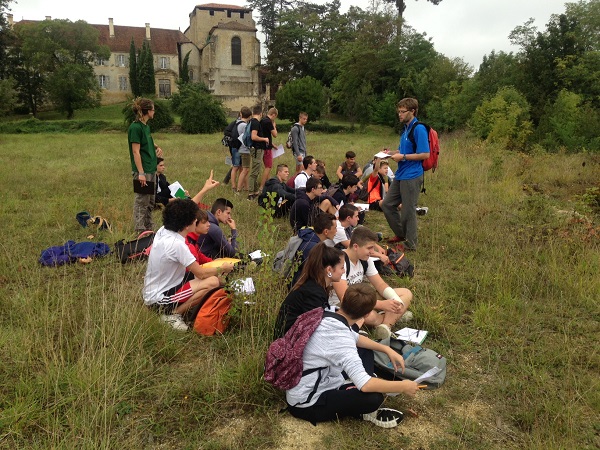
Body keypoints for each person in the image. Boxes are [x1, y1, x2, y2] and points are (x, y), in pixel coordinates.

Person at [285, 283, 419, 427]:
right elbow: (366, 385)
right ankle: (363, 406)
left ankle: (356, 382)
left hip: (310, 379)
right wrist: (402, 386)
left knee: (366, 349)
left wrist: (386, 349)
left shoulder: (327, 313)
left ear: (343, 301)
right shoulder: (343, 342)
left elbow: (355, 338)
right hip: (307, 403)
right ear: (366, 315)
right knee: (373, 398)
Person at [142, 199, 227, 331]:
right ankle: (172, 314)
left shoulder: (164, 230)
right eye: (195, 219)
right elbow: (201, 273)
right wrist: (223, 267)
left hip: (158, 289)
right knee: (212, 282)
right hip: (159, 299)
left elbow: (181, 208)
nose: (196, 220)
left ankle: (175, 309)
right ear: (187, 225)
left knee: (212, 279)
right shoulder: (178, 245)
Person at [330, 227, 413, 340]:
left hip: (363, 297)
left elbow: (380, 285)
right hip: (344, 305)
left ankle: (385, 326)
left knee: (406, 293)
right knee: (369, 317)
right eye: (369, 248)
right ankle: (394, 317)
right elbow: (345, 298)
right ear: (355, 246)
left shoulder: (365, 259)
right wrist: (382, 305)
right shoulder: (340, 261)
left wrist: (395, 300)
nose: (372, 252)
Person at [381, 98, 430, 250]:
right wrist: (389, 153)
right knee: (388, 204)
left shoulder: (419, 129)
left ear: (412, 111)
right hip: (401, 174)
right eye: (399, 112)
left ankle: (411, 244)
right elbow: (402, 151)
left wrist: (402, 157)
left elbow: (425, 154)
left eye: (403, 112)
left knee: (408, 210)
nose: (400, 115)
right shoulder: (406, 129)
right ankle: (402, 234)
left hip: (412, 175)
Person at [273, 243, 344, 339]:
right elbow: (316, 328)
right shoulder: (313, 292)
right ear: (329, 270)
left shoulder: (315, 286)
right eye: (342, 268)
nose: (343, 272)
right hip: (290, 342)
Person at [128, 97, 163, 233]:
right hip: (143, 171)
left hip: (151, 168)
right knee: (141, 201)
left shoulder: (145, 127)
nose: (154, 112)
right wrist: (141, 173)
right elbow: (136, 152)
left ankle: (149, 228)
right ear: (147, 111)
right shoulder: (135, 128)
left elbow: (147, 142)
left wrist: (156, 147)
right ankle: (140, 230)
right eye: (153, 109)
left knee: (150, 201)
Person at [289, 213, 338, 287]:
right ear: (326, 232)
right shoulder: (313, 248)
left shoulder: (309, 236)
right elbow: (315, 272)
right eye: (335, 228)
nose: (336, 231)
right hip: (300, 286)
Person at [248, 105, 270, 200]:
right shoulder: (255, 123)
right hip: (257, 149)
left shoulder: (251, 121)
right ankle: (250, 193)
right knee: (254, 172)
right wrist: (264, 139)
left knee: (256, 171)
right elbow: (253, 136)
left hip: (256, 149)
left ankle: (255, 191)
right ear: (260, 114)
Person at [259, 107, 278, 193]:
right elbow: (275, 135)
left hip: (262, 145)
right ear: (273, 115)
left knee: (267, 166)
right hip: (267, 148)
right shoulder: (268, 122)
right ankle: (262, 187)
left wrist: (272, 144)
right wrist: (274, 126)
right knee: (268, 166)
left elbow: (264, 134)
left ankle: (269, 183)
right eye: (275, 117)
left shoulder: (262, 120)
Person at [234, 107, 252, 194]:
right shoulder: (244, 125)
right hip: (245, 149)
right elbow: (247, 137)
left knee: (245, 169)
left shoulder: (239, 123)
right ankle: (239, 189)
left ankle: (246, 188)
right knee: (245, 170)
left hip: (241, 148)